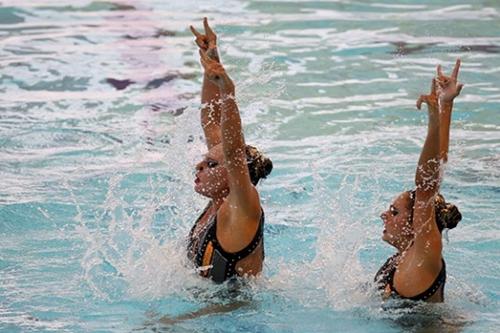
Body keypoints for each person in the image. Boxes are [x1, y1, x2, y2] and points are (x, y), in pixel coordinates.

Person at [186, 18, 273, 284]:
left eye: (211, 165)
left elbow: (234, 153)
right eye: (204, 162)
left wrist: (229, 91)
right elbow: (211, 120)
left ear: (235, 174)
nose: (199, 167)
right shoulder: (217, 203)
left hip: (237, 318)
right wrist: (211, 61)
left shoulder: (240, 208)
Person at [375, 60, 464, 302]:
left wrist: (434, 119)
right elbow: (437, 166)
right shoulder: (406, 256)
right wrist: (446, 106)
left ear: (417, 222)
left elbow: (426, 185)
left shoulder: (424, 255)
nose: (384, 215)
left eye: (394, 212)